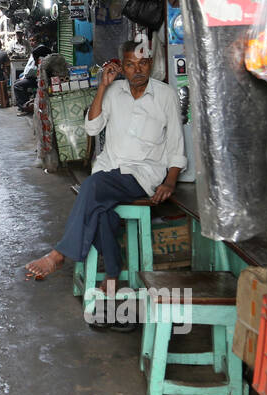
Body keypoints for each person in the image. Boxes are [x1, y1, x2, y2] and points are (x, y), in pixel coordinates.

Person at [23, 39, 186, 328]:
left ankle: (60, 254)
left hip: (142, 176)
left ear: (150, 63)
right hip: (110, 171)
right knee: (99, 208)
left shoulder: (165, 95)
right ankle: (113, 277)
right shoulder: (113, 93)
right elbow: (91, 127)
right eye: (131, 64)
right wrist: (101, 87)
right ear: (122, 66)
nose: (137, 70)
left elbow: (176, 146)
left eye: (143, 63)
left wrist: (170, 182)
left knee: (92, 188)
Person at [13, 44, 51, 116]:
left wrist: (26, 76)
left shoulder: (44, 63)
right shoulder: (44, 60)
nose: (36, 62)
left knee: (17, 85)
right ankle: (25, 104)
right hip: (37, 79)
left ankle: (24, 108)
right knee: (18, 81)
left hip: (38, 81)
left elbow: (33, 73)